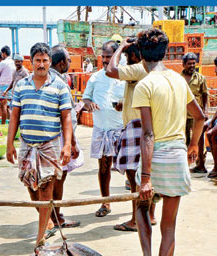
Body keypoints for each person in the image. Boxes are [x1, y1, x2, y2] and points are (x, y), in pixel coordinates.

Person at [128, 28, 205, 256]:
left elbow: (148, 135)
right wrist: (194, 145)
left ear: (139, 55)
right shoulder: (178, 79)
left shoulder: (144, 86)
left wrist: (145, 177)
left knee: (140, 208)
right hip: (176, 158)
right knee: (169, 227)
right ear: (164, 51)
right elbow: (200, 116)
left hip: (155, 158)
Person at [6, 42, 74, 248]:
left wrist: (68, 144)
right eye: (38, 61)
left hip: (50, 144)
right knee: (30, 184)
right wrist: (9, 144)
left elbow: (67, 118)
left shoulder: (60, 86)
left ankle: (40, 236)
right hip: (27, 144)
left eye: (45, 60)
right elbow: (15, 116)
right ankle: (47, 221)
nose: (41, 64)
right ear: (32, 61)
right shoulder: (21, 86)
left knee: (46, 187)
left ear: (50, 62)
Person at [107, 37, 157, 230]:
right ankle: (148, 216)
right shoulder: (143, 71)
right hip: (138, 126)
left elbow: (110, 70)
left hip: (137, 129)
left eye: (129, 54)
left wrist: (119, 48)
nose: (126, 58)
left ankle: (136, 220)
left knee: (135, 178)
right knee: (143, 176)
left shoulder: (138, 68)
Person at [81, 41, 125, 219]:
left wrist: (124, 104)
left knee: (131, 168)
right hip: (102, 129)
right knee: (104, 166)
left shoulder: (125, 75)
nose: (106, 60)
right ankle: (105, 201)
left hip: (122, 128)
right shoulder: (95, 77)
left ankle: (139, 203)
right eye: (104, 57)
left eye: (109, 57)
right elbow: (85, 98)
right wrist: (89, 104)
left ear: (117, 57)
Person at [45, 45, 82, 233]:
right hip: (61, 136)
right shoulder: (58, 83)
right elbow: (64, 117)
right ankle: (55, 216)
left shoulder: (48, 79)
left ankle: (53, 215)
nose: (69, 63)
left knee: (54, 178)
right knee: (59, 178)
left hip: (51, 135)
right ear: (61, 63)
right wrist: (72, 143)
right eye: (68, 60)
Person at [180, 52, 208, 174]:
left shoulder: (201, 78)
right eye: (189, 64)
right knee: (183, 140)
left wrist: (205, 111)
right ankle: (184, 165)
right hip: (182, 115)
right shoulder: (178, 78)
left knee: (199, 140)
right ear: (183, 64)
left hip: (196, 115)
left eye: (193, 63)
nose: (192, 66)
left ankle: (201, 164)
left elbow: (205, 95)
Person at [0, 45, 16, 124]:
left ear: (4, 53)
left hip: (3, 85)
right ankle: (11, 123)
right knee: (9, 107)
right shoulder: (13, 62)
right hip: (11, 85)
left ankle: (3, 124)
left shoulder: (3, 63)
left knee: (3, 107)